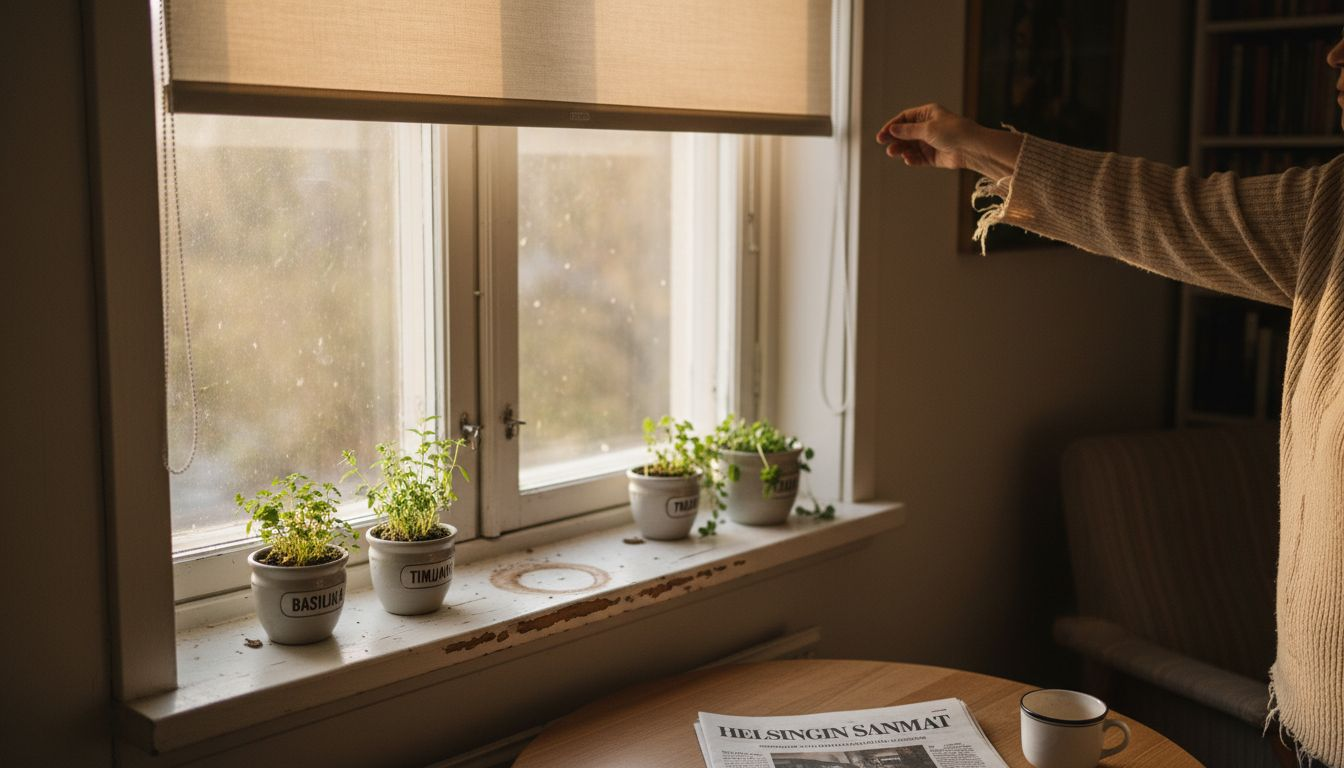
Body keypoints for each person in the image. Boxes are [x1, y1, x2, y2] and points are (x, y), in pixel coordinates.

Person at [876, 33, 1344, 768]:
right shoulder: (1335, 209)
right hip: (1316, 728)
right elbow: (1165, 211)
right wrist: (972, 145)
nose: (1335, 57)